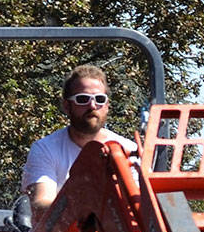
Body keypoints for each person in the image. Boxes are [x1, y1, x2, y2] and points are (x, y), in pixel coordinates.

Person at [21, 65, 138, 213]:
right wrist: (85, 206)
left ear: (107, 106)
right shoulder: (45, 149)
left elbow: (139, 203)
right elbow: (41, 204)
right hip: (63, 228)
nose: (92, 106)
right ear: (67, 106)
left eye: (100, 99)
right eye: (82, 99)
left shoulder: (128, 150)